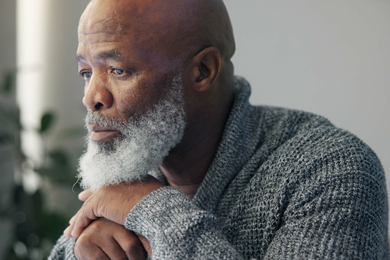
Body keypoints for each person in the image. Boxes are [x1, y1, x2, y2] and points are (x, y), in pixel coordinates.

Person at [49, 0, 389, 259]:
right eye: (86, 73)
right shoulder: (134, 161)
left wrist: (152, 209)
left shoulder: (330, 168)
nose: (91, 97)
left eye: (119, 70)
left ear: (202, 71)